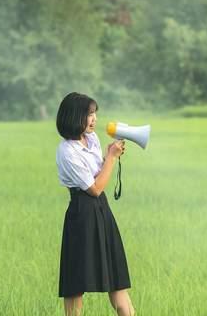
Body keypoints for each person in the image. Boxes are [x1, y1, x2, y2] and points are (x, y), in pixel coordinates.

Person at [55, 92, 135, 316]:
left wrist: (110, 156)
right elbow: (94, 188)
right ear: (74, 116)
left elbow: (101, 178)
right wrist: (111, 157)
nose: (94, 119)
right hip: (82, 213)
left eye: (94, 114)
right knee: (75, 283)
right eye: (89, 114)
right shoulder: (67, 151)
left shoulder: (92, 140)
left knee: (117, 278)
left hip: (102, 210)